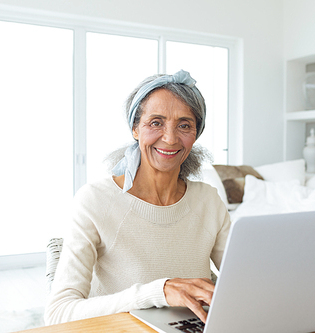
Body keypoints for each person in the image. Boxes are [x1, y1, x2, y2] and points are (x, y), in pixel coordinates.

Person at [44, 70, 231, 325]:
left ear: (195, 134)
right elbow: (58, 314)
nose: (170, 138)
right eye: (156, 122)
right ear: (135, 128)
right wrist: (158, 292)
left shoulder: (209, 201)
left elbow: (245, 281)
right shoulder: (95, 200)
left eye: (184, 125)